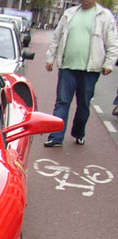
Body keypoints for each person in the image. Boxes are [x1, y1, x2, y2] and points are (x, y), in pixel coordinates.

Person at [44, 0, 118, 147]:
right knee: (62, 102)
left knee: (83, 104)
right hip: (67, 67)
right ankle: (56, 137)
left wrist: (109, 63)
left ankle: (79, 133)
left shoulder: (104, 16)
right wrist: (50, 58)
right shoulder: (69, 14)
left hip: (90, 70)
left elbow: (112, 42)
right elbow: (57, 37)